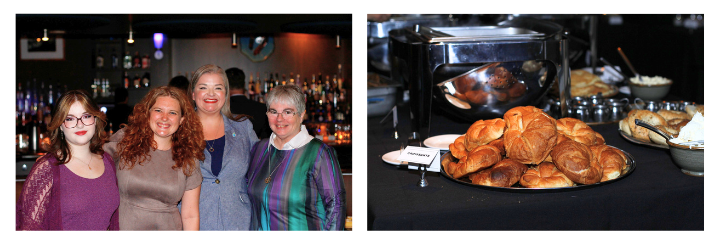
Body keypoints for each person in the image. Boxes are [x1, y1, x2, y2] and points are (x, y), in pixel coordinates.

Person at [15, 90, 119, 231]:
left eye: (86, 116)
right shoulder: (46, 168)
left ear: (96, 120)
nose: (80, 124)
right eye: (70, 118)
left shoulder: (107, 161)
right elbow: (28, 227)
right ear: (60, 125)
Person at [103, 86, 204, 231]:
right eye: (158, 110)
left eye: (172, 112)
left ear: (182, 119)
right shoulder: (124, 142)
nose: (164, 117)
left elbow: (190, 215)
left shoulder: (188, 158)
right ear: (147, 113)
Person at [247, 84, 346, 231]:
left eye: (288, 112)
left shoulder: (319, 153)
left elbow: (336, 207)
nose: (279, 119)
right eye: (273, 111)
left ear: (301, 115)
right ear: (267, 114)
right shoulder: (259, 149)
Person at [183, 64, 259, 230]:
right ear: (194, 94)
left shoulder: (243, 128)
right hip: (193, 223)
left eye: (218, 88)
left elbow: (262, 168)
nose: (211, 93)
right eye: (203, 87)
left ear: (226, 94)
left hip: (238, 221)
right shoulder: (179, 131)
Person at [226, 67, 271, 139]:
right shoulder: (261, 108)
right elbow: (266, 140)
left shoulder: (223, 108)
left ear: (226, 86)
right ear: (244, 85)